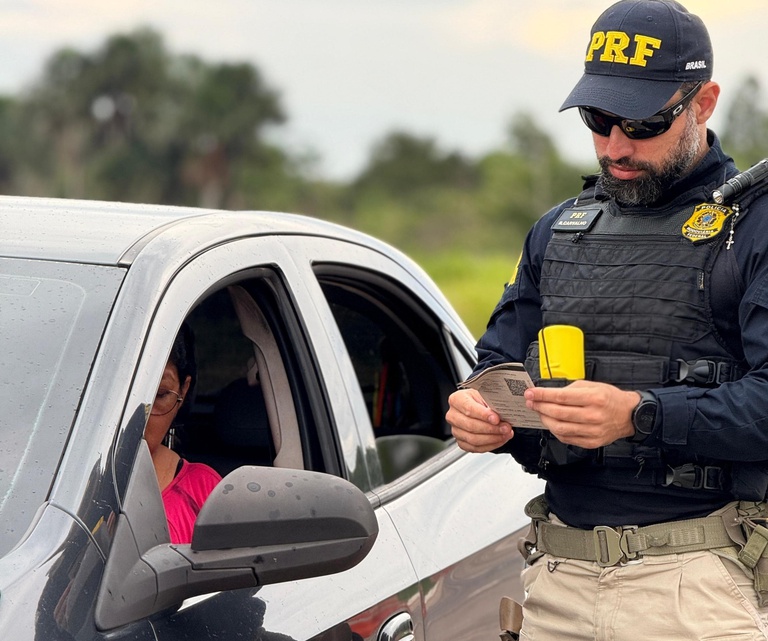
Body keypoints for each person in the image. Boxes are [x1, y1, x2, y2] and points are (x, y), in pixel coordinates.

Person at [446, 1, 768, 638]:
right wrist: (478, 412)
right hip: (555, 579)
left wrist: (640, 413)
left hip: (698, 584)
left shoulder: (754, 228)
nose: (615, 146)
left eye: (643, 123)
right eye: (598, 119)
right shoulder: (557, 231)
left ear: (702, 103)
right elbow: (494, 365)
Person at [144, 322, 222, 544]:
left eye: (160, 395)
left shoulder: (204, 494)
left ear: (183, 390)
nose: (140, 414)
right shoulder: (63, 485)